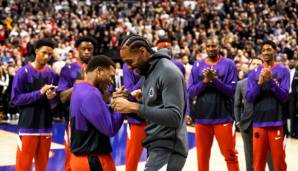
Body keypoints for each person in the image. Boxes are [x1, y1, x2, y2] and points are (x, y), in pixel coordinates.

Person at [112, 34, 188, 171]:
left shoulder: (167, 71)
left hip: (169, 148)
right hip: (157, 145)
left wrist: (134, 106)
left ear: (142, 51)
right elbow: (159, 105)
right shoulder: (149, 71)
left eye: (130, 61)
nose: (128, 67)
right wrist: (144, 98)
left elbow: (174, 116)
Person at [187, 37, 239, 171]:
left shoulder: (229, 64)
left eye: (214, 46)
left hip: (224, 117)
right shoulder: (197, 65)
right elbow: (191, 91)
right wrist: (205, 81)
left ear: (219, 47)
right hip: (202, 118)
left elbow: (231, 91)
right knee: (202, 157)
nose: (211, 49)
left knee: (230, 155)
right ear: (205, 47)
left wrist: (214, 80)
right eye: (209, 46)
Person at [69, 55, 124, 171]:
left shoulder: (79, 88)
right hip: (93, 160)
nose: (111, 81)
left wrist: (112, 106)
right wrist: (123, 106)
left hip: (81, 158)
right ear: (99, 71)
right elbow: (110, 128)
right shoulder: (91, 93)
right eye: (111, 76)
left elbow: (94, 113)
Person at [11, 38, 58, 171]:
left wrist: (51, 98)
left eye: (50, 54)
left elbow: (54, 105)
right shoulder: (22, 72)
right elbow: (15, 99)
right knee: (22, 167)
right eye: (44, 52)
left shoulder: (52, 74)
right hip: (27, 128)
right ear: (36, 51)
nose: (47, 56)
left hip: (46, 127)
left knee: (42, 167)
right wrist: (40, 92)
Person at [246, 40, 289, 171]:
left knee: (279, 164)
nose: (266, 52)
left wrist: (271, 82)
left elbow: (284, 97)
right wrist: (259, 83)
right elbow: (249, 98)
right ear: (260, 53)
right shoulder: (253, 72)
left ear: (274, 51)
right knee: (258, 163)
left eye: (269, 49)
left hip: (277, 122)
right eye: (263, 50)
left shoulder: (283, 70)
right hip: (259, 123)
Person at [57, 36, 97, 171]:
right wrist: (81, 85)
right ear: (77, 50)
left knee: (96, 159)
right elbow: (62, 97)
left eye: (90, 49)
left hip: (96, 120)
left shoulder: (99, 68)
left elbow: (107, 95)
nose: (86, 52)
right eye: (83, 49)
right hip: (74, 121)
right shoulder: (68, 69)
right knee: (71, 160)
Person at [234, 58, 274, 171]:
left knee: (269, 157)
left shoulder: (268, 82)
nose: (256, 66)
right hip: (247, 125)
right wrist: (238, 121)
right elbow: (236, 104)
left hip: (265, 124)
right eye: (253, 64)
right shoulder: (241, 83)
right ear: (249, 66)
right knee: (249, 158)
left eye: (259, 64)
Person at [122, 63, 146, 171]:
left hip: (157, 117)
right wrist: (147, 75)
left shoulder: (158, 63)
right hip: (137, 119)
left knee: (156, 160)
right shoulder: (127, 65)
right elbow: (130, 94)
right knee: (132, 158)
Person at [287, 59, 298, 139]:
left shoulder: (297, 73)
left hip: (293, 97)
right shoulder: (286, 73)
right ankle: (285, 132)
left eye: (292, 62)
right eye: (289, 62)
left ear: (295, 64)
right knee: (284, 114)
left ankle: (292, 132)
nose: (290, 63)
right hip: (285, 95)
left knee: (292, 114)